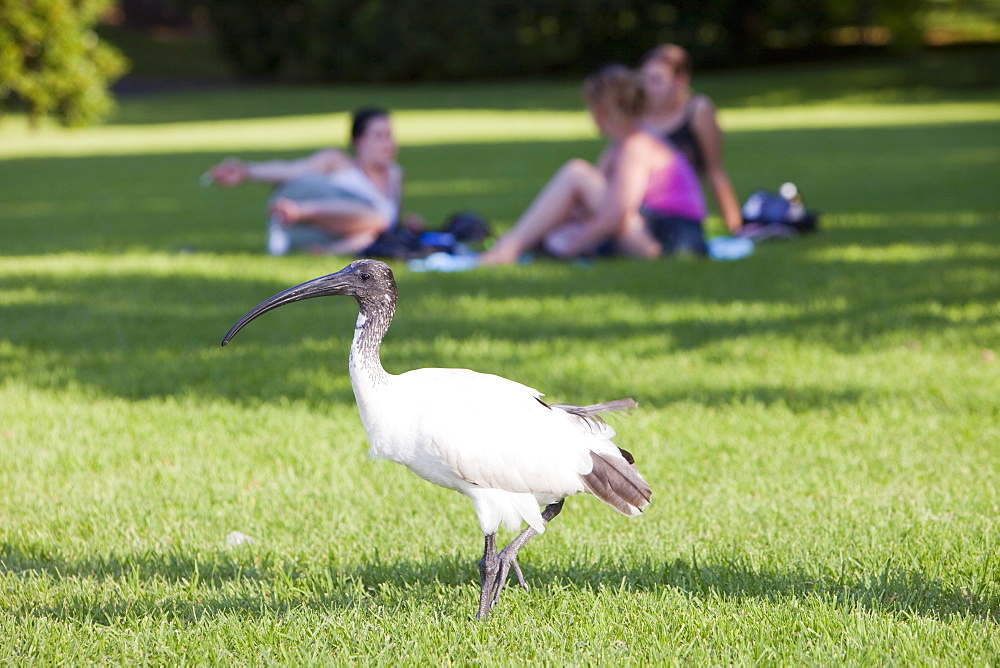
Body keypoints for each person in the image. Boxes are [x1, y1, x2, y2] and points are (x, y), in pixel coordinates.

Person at [479, 64, 707, 266]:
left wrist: (566, 250)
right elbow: (588, 207)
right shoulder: (626, 145)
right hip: (663, 237)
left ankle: (508, 249)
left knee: (575, 173)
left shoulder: (636, 147)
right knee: (558, 232)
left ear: (600, 109)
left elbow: (613, 216)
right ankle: (512, 243)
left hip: (669, 242)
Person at [206, 107, 417, 256]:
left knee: (376, 226)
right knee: (377, 219)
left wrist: (409, 227)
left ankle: (325, 254)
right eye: (379, 136)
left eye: (390, 136)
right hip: (321, 227)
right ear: (358, 142)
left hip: (354, 239)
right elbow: (290, 170)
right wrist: (246, 171)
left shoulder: (395, 174)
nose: (388, 143)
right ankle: (300, 211)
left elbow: (390, 226)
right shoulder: (337, 162)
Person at [640, 44, 743, 234]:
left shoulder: (698, 110)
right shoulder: (637, 116)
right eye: (644, 78)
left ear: (680, 80)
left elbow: (715, 171)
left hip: (675, 212)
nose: (648, 87)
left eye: (656, 80)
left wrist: (735, 228)